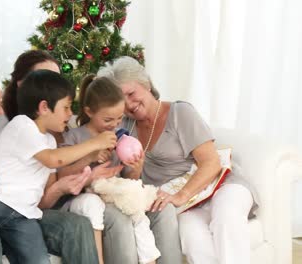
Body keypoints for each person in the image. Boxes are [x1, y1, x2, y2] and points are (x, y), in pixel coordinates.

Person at [0, 57, 104, 264]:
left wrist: (62, 186)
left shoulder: (8, 125)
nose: (0, 111)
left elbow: (44, 189)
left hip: (23, 214)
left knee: (74, 227)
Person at [97, 56, 258, 264]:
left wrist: (182, 195)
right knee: (192, 239)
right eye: (121, 100)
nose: (129, 104)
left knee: (226, 219)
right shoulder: (124, 129)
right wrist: (135, 171)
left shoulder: (180, 113)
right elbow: (132, 181)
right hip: (187, 205)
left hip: (220, 185)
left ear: (145, 84)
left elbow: (211, 163)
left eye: (131, 93)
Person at [3, 50, 141, 264]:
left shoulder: (55, 132)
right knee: (91, 214)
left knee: (126, 216)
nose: (115, 124)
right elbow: (54, 163)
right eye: (48, 81)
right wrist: (92, 154)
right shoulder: (22, 127)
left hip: (41, 208)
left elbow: (48, 191)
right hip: (24, 211)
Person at [58, 74, 161, 264]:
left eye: (119, 118)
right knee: (102, 207)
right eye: (108, 120)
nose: (114, 125)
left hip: (112, 196)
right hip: (80, 199)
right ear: (89, 112)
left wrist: (135, 169)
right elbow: (60, 175)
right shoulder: (73, 137)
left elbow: (124, 179)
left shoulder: (118, 137)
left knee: (138, 215)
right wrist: (90, 158)